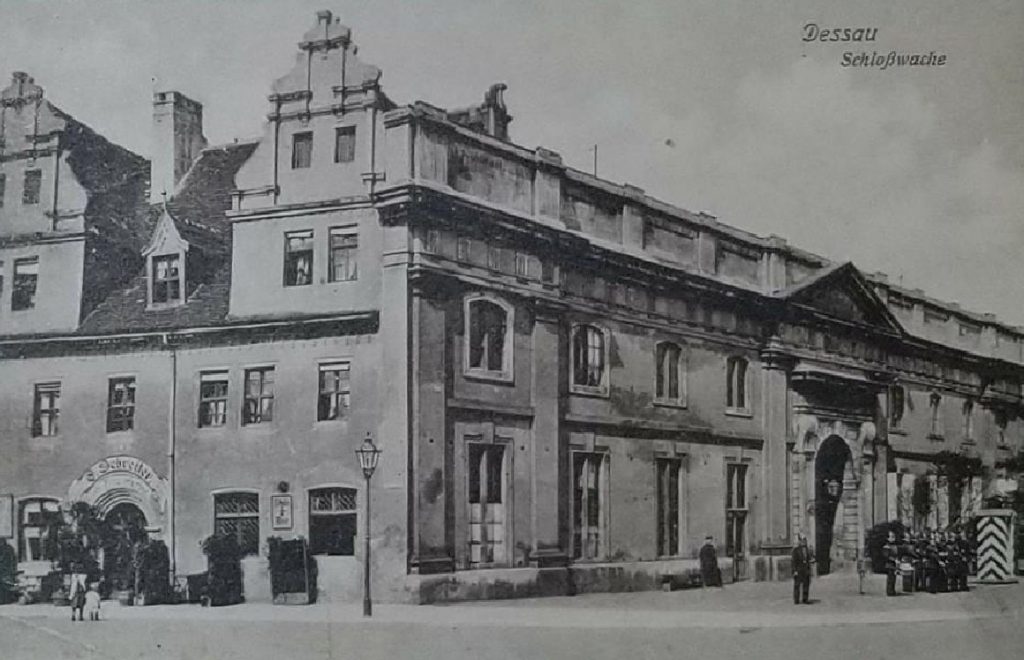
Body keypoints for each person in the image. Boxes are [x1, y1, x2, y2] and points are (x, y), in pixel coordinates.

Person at [792, 532, 814, 604]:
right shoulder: (796, 550)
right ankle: (796, 599)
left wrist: (811, 562)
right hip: (798, 570)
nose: (803, 542)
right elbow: (794, 561)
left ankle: (805, 599)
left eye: (804, 540)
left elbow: (809, 559)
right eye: (802, 540)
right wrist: (795, 570)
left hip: (806, 570)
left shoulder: (808, 550)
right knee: (797, 585)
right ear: (799, 541)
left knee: (806, 585)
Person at [883, 531, 900, 596]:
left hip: (894, 564)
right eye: (891, 537)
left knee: (893, 578)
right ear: (888, 538)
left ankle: (892, 590)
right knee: (890, 578)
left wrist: (897, 559)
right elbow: (886, 556)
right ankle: (889, 591)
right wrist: (894, 560)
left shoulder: (894, 546)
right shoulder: (886, 546)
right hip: (889, 564)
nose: (893, 538)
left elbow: (896, 554)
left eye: (894, 537)